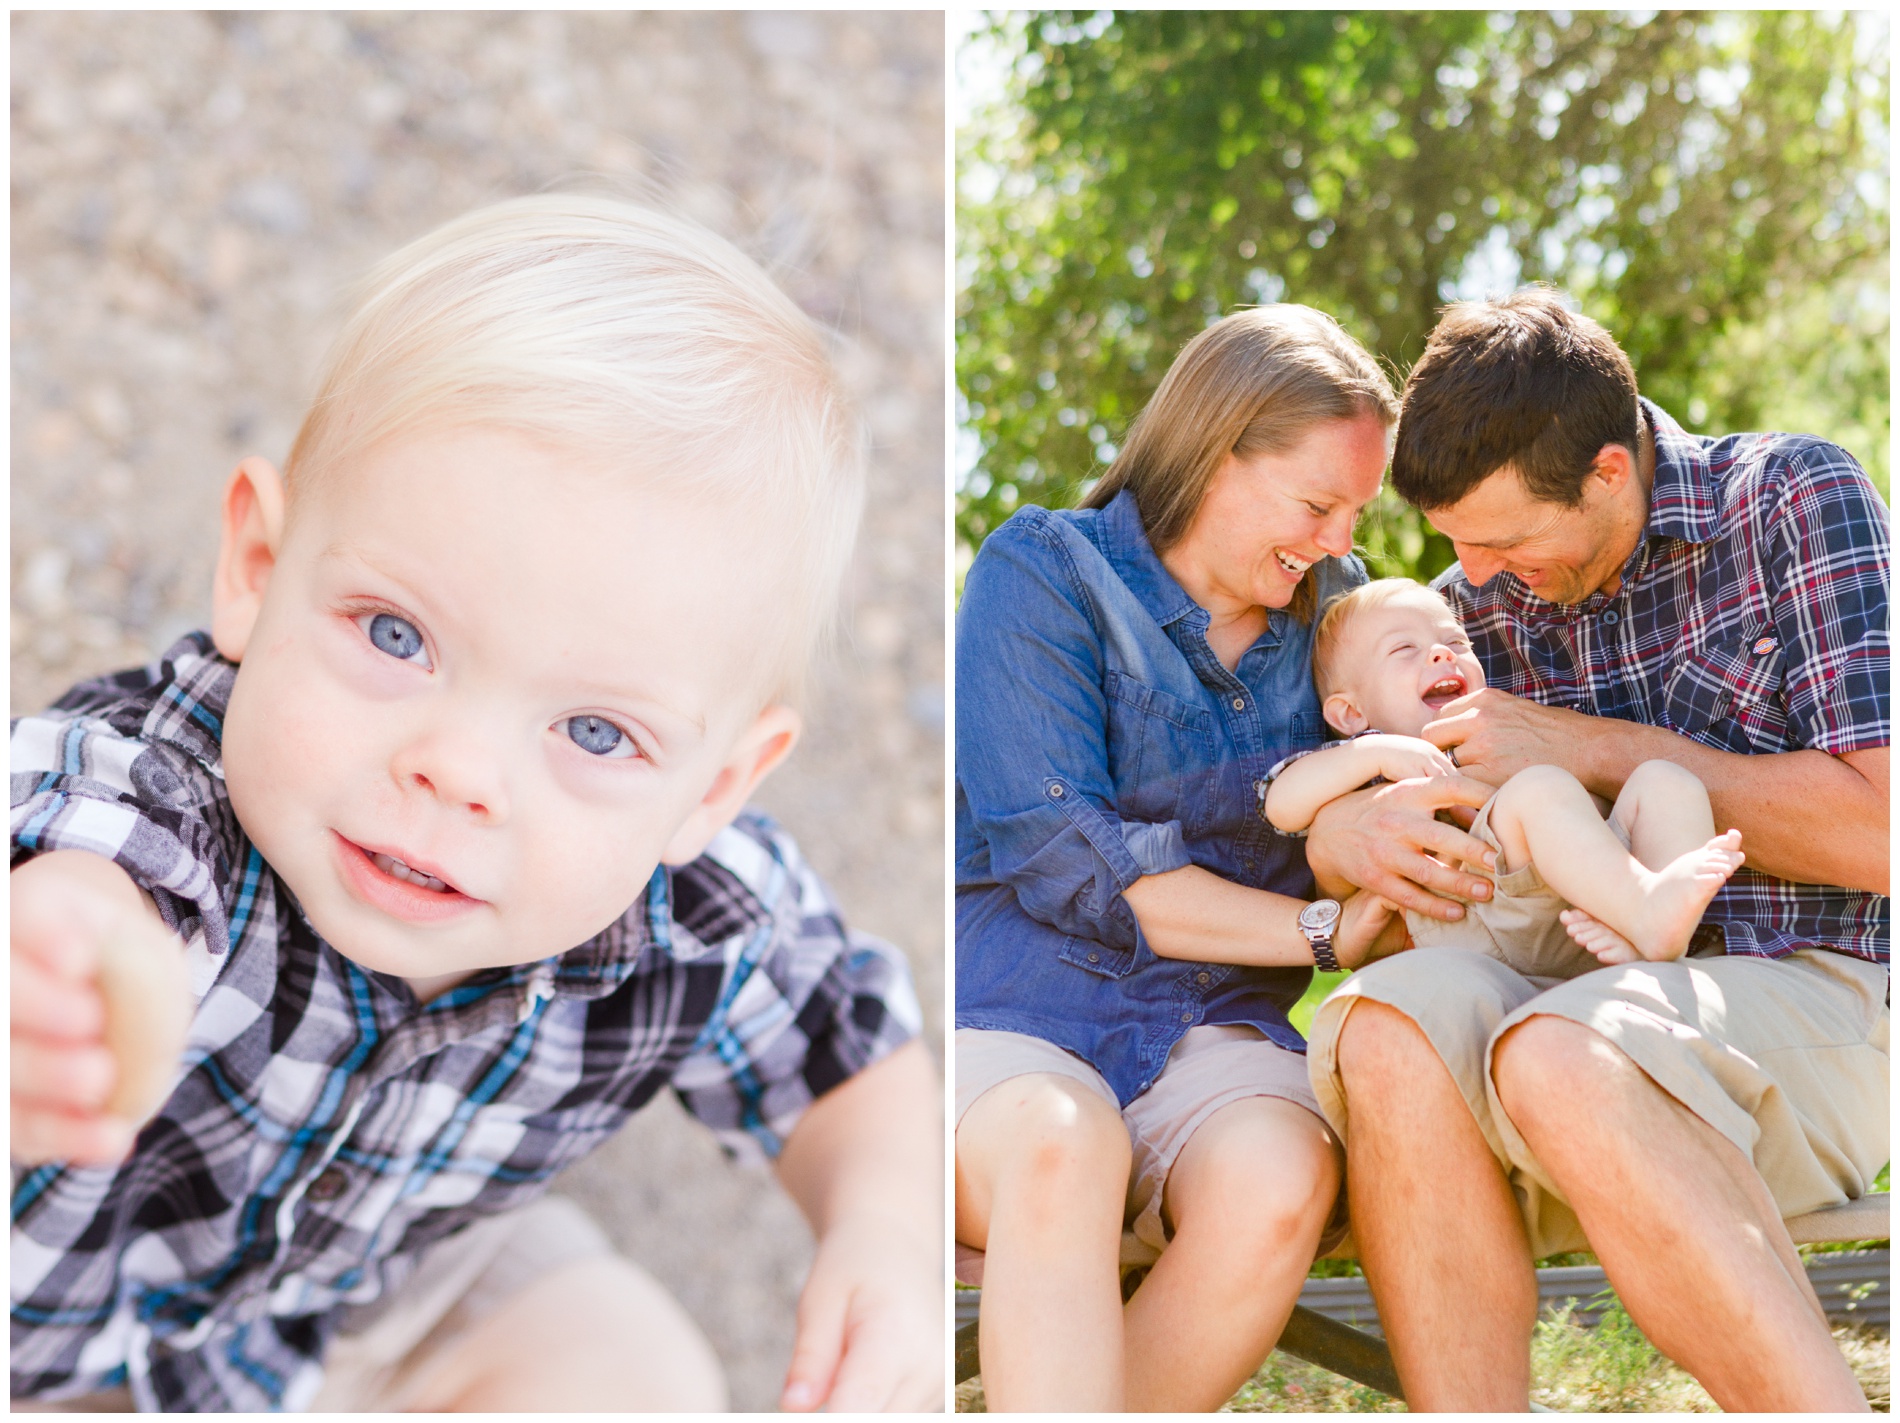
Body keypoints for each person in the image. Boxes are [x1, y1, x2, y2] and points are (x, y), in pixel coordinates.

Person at [9, 195, 940, 1414]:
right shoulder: (160, 792)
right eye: (396, 635)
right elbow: (85, 853)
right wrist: (64, 958)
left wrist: (889, 1234)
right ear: (258, 572)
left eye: (596, 731)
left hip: (342, 1301)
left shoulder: (693, 916)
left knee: (631, 1371)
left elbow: (846, 1058)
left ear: (711, 786)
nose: (458, 771)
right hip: (43, 1328)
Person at [1301, 288, 1888, 1411]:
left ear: (1609, 472)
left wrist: (1588, 748)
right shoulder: (1462, 608)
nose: (1469, 578)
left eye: (1502, 540)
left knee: (1563, 1052)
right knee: (1387, 1025)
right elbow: (1350, 804)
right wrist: (1347, 826)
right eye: (1454, 545)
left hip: (1809, 1005)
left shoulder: (1787, 501)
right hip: (1555, 998)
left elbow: (1882, 829)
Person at [954, 306, 1434, 1411]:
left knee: (1282, 1177)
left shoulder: (1334, 616)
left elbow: (1383, 785)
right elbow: (1069, 856)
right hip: (1019, 1013)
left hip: (1217, 1029)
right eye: (1316, 503)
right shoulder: (1044, 572)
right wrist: (1316, 929)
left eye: (1353, 510)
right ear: (1216, 450)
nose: (1334, 538)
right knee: (1059, 1151)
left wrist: (1368, 836)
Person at [1264, 577, 1746, 976]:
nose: (1441, 655)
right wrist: (1370, 753)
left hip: (1579, 917)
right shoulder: (1363, 758)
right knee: (1540, 790)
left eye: (1455, 643)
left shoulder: (1501, 732)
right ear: (1350, 713)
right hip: (1468, 924)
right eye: (1405, 650)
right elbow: (1281, 804)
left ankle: (1649, 923)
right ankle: (1645, 913)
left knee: (1667, 780)